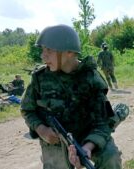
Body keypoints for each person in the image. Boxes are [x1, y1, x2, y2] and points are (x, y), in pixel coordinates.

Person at [20, 24, 122, 169]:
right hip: (56, 140)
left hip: (89, 135)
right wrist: (42, 130)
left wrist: (87, 147)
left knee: (111, 157)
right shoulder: (40, 78)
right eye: (43, 50)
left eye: (49, 50)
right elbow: (27, 110)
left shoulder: (91, 79)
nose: (43, 56)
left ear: (69, 52)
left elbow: (103, 123)